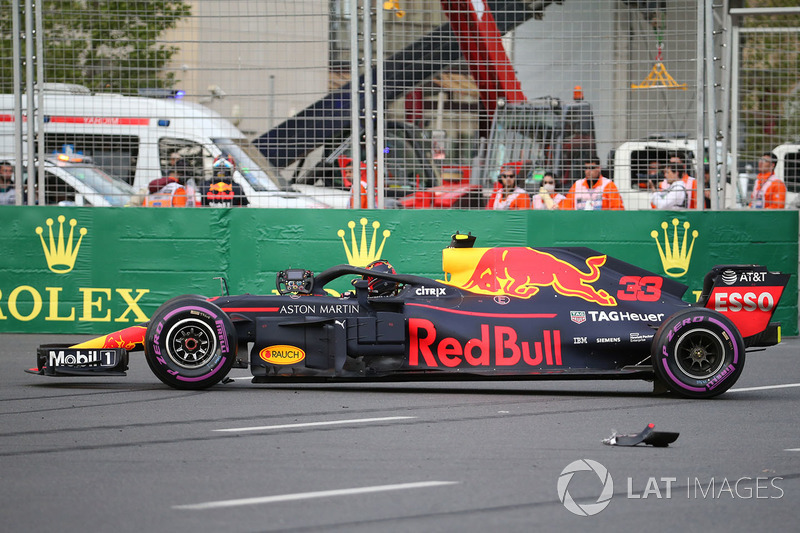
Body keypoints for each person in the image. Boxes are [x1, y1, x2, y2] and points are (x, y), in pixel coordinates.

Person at [559, 157, 624, 210]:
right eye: (586, 168)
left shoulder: (608, 185)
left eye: (592, 168)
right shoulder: (577, 185)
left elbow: (617, 209)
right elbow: (567, 207)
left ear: (599, 168)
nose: (588, 171)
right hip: (580, 223)